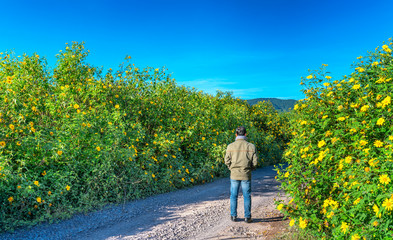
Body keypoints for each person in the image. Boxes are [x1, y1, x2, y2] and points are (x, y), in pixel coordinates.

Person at [225, 126, 258, 223]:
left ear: (236, 134)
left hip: (234, 174)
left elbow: (226, 161)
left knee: (233, 195)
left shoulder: (230, 146)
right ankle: (247, 217)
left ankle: (233, 216)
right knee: (247, 195)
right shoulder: (251, 146)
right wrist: (250, 169)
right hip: (246, 174)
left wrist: (231, 168)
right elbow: (255, 162)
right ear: (245, 134)